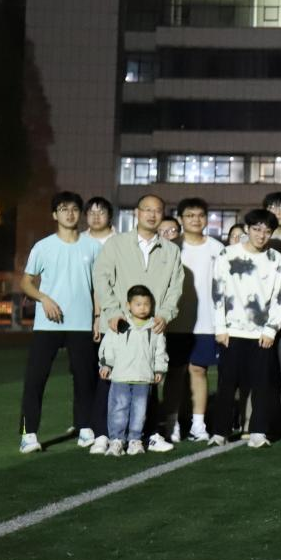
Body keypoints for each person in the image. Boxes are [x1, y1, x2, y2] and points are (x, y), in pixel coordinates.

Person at [91, 194, 184, 455]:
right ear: (137, 212)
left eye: (158, 210)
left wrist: (164, 314)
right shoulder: (117, 243)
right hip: (119, 325)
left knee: (148, 382)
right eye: (147, 209)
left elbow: (175, 287)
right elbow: (101, 277)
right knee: (108, 379)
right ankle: (103, 434)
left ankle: (147, 435)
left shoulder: (171, 251)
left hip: (151, 327)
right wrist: (111, 311)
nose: (152, 215)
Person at [18, 192, 104, 454]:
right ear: (55, 214)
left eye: (74, 209)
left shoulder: (93, 247)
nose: (69, 213)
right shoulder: (43, 247)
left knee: (85, 378)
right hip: (47, 324)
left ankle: (85, 427)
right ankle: (28, 434)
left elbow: (97, 288)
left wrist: (97, 318)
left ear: (80, 214)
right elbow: (26, 282)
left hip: (81, 323)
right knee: (35, 379)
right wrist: (43, 298)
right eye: (64, 209)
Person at [209, 209, 281, 449]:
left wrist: (271, 329)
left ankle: (258, 431)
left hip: (261, 333)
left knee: (262, 384)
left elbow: (279, 296)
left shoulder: (276, 258)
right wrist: (220, 327)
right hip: (231, 331)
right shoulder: (228, 254)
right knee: (227, 383)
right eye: (256, 229)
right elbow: (218, 291)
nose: (261, 235)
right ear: (247, 229)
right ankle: (219, 432)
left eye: (267, 231)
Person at [162, 198, 224, 444]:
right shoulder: (171, 248)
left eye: (200, 215)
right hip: (175, 323)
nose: (196, 220)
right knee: (174, 373)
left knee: (199, 370)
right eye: (190, 215)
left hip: (206, 322)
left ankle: (198, 424)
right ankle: (172, 423)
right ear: (181, 219)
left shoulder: (218, 248)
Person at [98, 285, 168, 456]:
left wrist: (159, 369)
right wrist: (106, 365)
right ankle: (116, 440)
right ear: (128, 305)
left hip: (143, 378)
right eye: (138, 304)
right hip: (120, 377)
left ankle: (135, 441)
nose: (142, 308)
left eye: (146, 304)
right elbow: (109, 346)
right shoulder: (120, 325)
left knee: (140, 411)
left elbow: (160, 350)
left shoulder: (155, 327)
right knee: (118, 409)